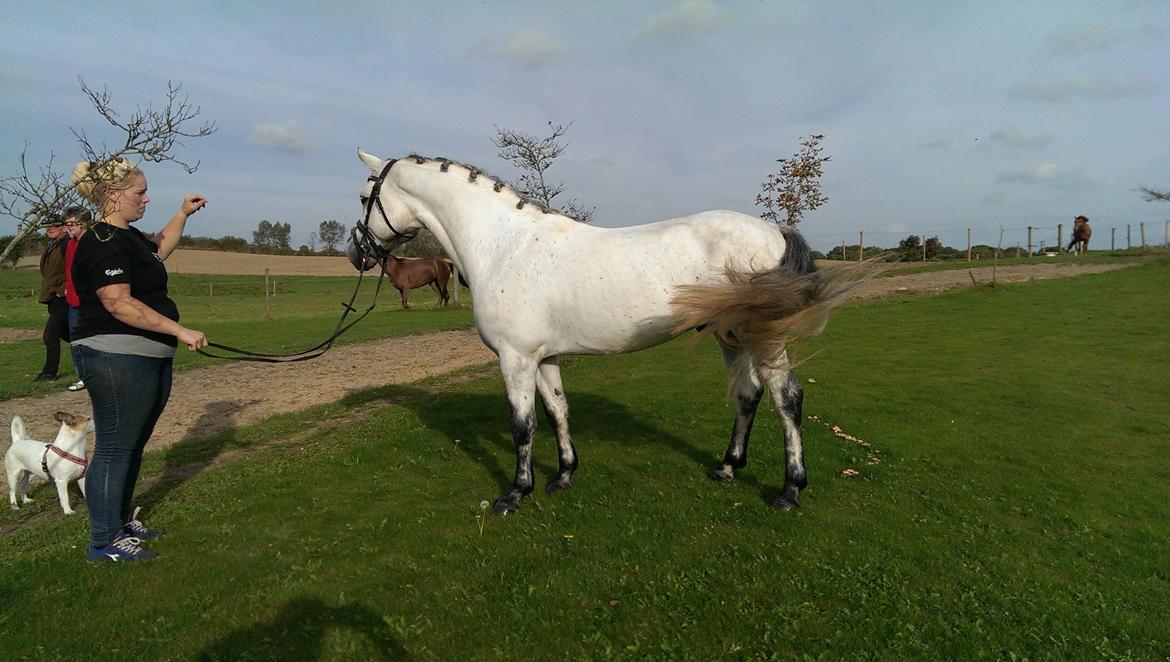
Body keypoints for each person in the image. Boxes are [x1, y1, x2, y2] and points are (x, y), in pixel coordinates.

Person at [70, 157, 209, 563]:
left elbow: (159, 249)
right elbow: (117, 303)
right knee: (114, 447)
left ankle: (120, 522)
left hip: (145, 356)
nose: (146, 199)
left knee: (130, 445)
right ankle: (103, 541)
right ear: (112, 195)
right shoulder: (101, 241)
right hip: (115, 355)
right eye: (140, 192)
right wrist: (180, 331)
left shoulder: (127, 237)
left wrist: (183, 213)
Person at [34, 218, 71, 381]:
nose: (49, 229)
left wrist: (63, 289)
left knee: (50, 335)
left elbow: (73, 268)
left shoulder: (67, 244)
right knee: (68, 333)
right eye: (47, 226)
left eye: (54, 226)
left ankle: (49, 373)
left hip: (62, 296)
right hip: (52, 297)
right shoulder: (51, 246)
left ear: (64, 228)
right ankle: (93, 352)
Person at [62, 206, 93, 392]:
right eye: (67, 223)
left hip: (89, 301)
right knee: (76, 341)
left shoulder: (91, 242)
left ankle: (94, 376)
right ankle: (83, 376)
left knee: (91, 340)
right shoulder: (70, 243)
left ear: (84, 222)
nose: (69, 227)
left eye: (73, 223)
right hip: (73, 300)